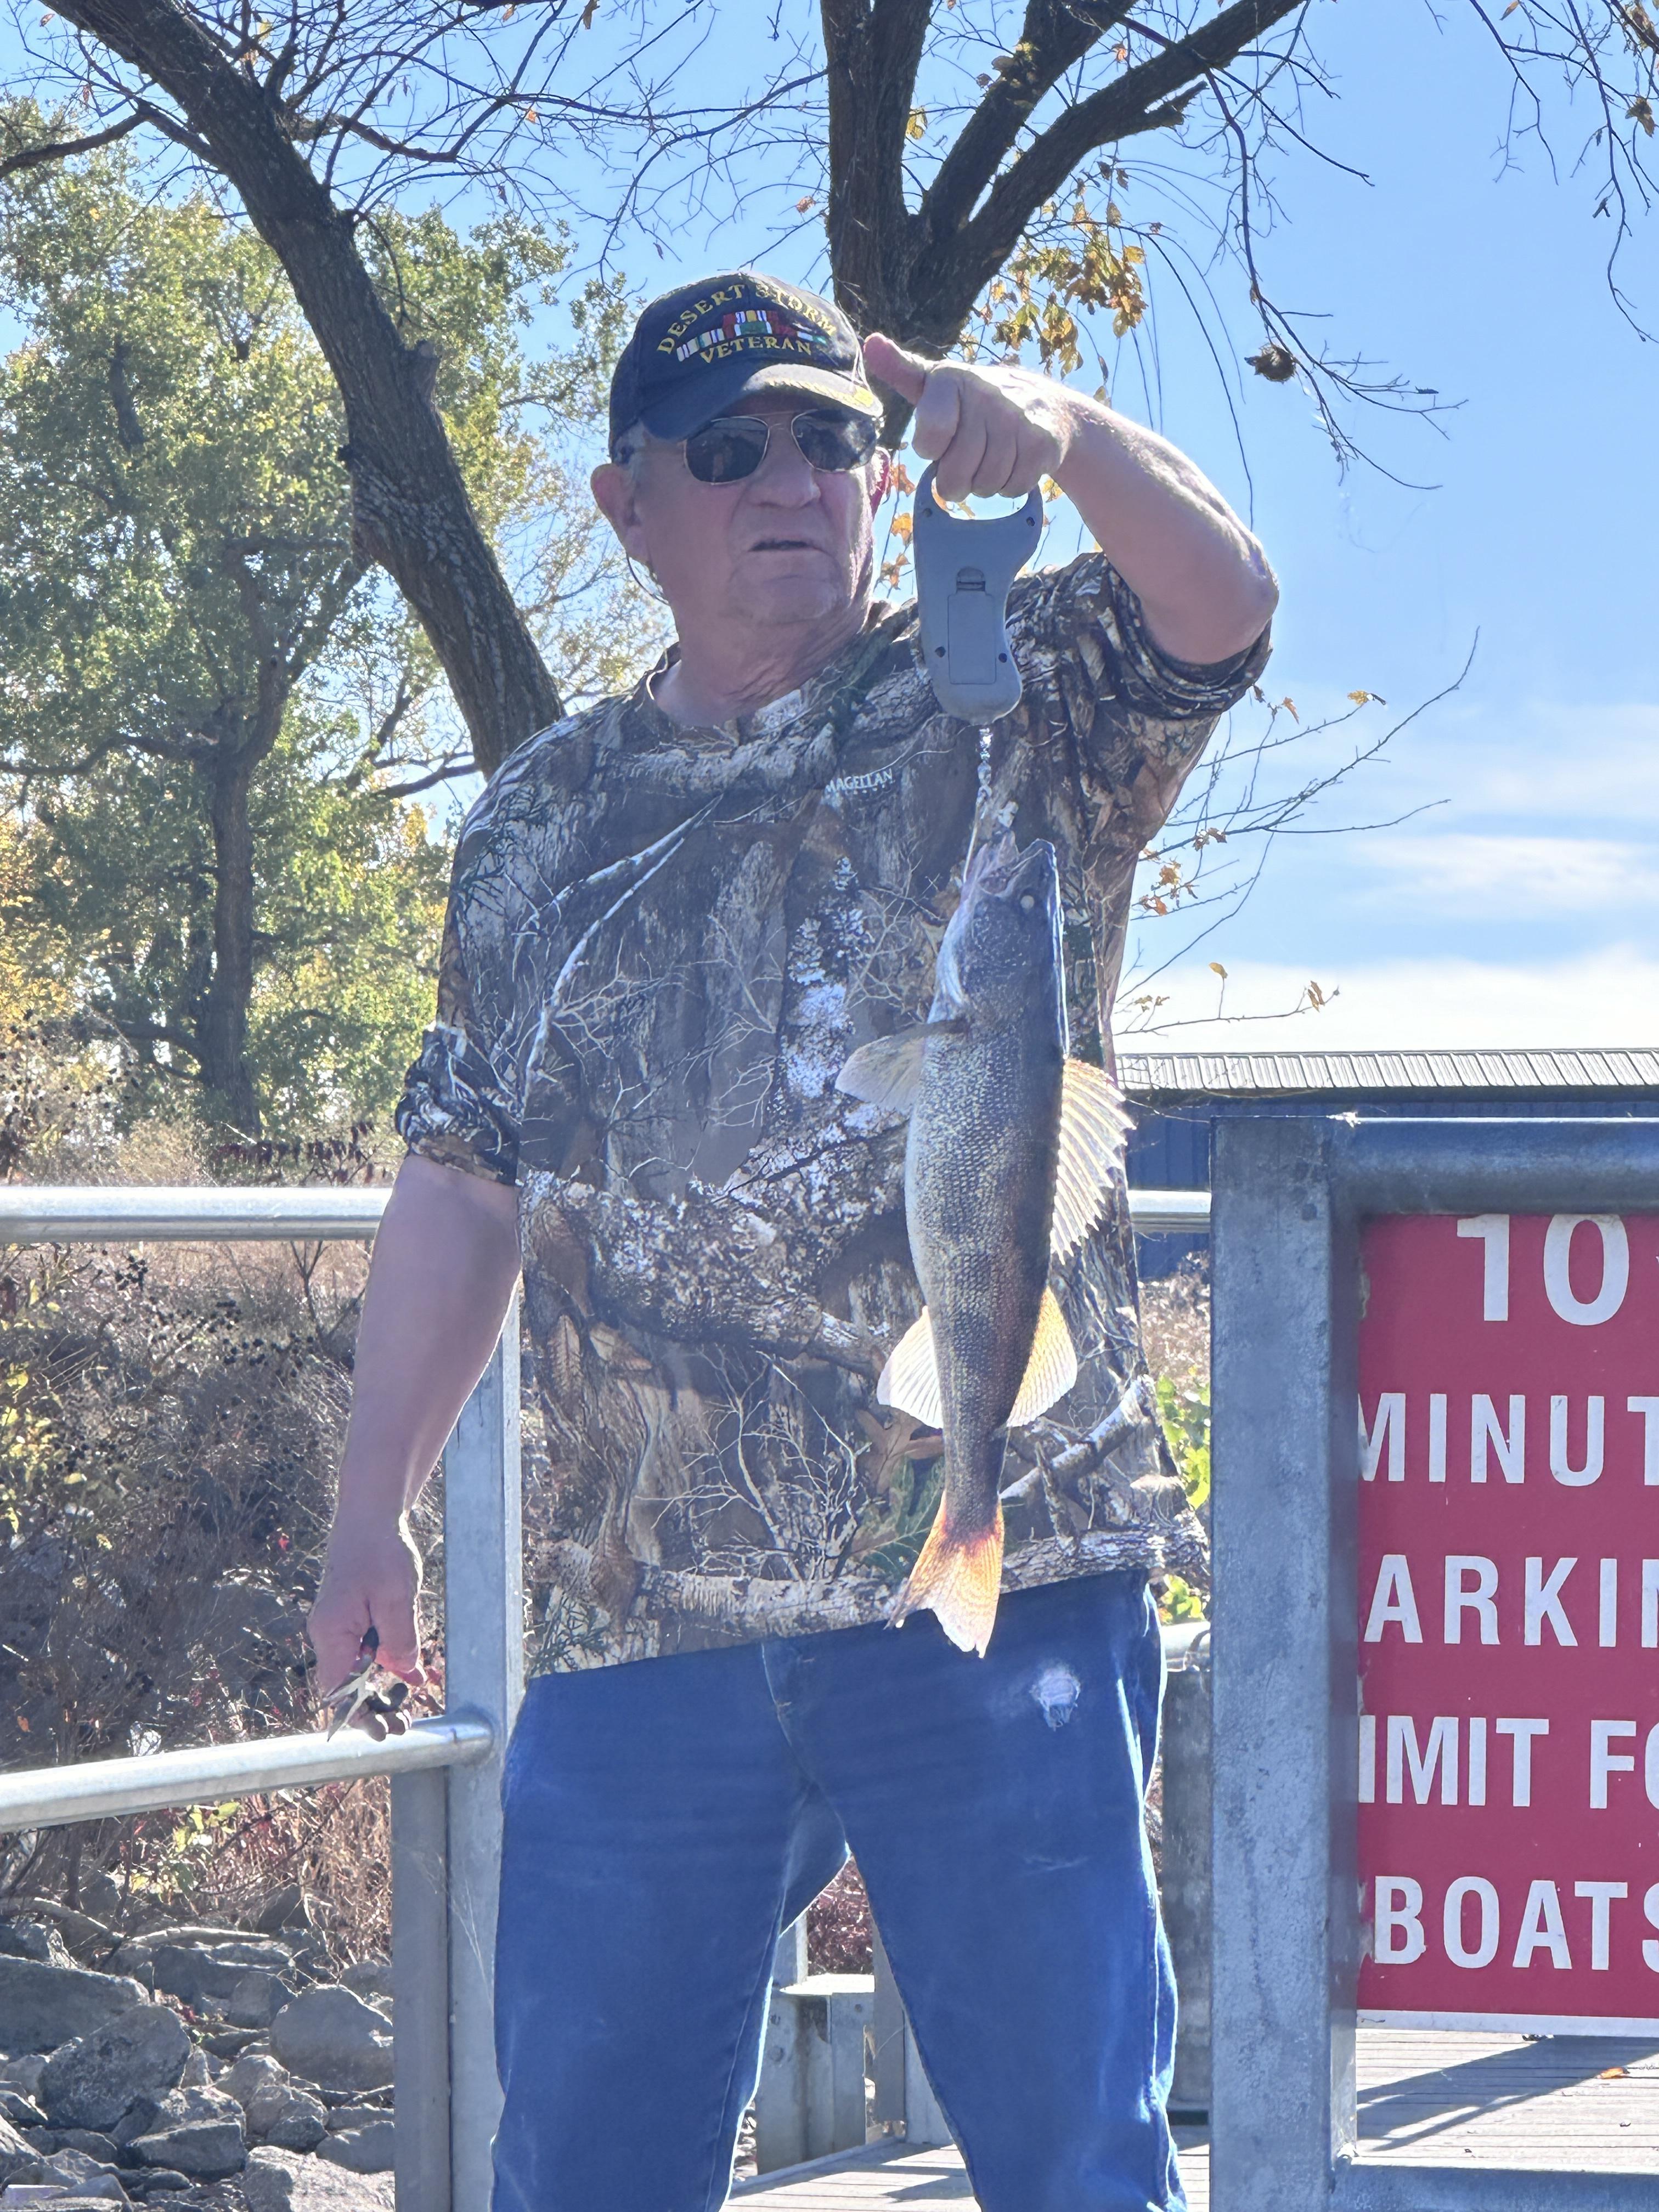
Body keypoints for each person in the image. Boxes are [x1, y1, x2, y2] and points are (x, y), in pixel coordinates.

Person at [308, 270, 1276, 2212]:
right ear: (627, 505)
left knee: (1076, 2165)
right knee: (582, 2170)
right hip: (641, 1609)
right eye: (729, 447)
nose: (790, 478)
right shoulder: (536, 825)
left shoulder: (1012, 696)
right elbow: (464, 1177)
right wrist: (369, 1508)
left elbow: (1226, 608)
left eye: (831, 440)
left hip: (1001, 1573)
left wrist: (1067, 433)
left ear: (876, 480)